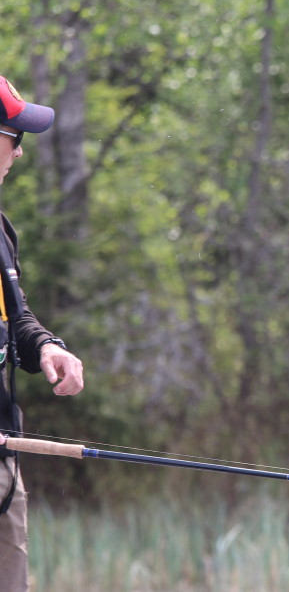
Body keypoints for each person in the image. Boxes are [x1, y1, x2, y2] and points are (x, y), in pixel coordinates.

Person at [0, 75, 85, 592]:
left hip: (5, 456)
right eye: (16, 137)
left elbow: (16, 317)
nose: (19, 153)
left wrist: (48, 347)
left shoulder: (0, 229)